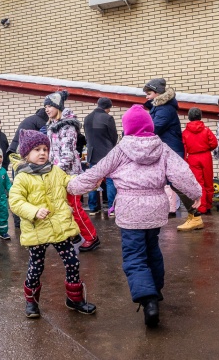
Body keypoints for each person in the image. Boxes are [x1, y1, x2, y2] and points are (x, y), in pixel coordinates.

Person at [67, 105, 201, 327]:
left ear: (127, 128)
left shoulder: (121, 149)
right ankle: (155, 289)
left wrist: (71, 186)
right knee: (152, 249)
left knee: (134, 256)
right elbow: (182, 172)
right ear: (149, 126)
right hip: (156, 207)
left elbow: (97, 172)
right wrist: (196, 193)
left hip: (130, 208)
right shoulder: (163, 147)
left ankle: (148, 299)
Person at [9, 129, 96, 318]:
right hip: (37, 230)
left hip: (59, 228)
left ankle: (74, 299)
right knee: (36, 266)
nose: (42, 153)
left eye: (45, 149)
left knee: (72, 262)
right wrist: (33, 211)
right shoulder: (22, 177)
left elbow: (69, 182)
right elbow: (15, 201)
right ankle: (31, 301)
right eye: (37, 149)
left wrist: (88, 182)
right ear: (26, 153)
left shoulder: (55, 170)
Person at [43, 91, 100, 252]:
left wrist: (55, 172)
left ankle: (91, 237)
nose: (47, 109)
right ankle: (73, 234)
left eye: (49, 106)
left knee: (74, 208)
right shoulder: (53, 125)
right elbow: (53, 152)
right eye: (45, 106)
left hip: (69, 176)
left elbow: (67, 155)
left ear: (58, 106)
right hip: (58, 174)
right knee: (62, 207)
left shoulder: (67, 126)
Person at [143, 79, 201, 229]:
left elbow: (154, 129)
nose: (146, 97)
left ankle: (195, 216)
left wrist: (136, 131)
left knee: (177, 184)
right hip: (166, 150)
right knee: (166, 183)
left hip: (171, 151)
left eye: (149, 94)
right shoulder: (160, 107)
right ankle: (192, 215)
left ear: (157, 93)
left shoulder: (164, 110)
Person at [7, 108, 49, 229]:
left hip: (17, 155)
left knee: (18, 187)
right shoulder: (40, 121)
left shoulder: (30, 119)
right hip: (24, 156)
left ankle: (17, 221)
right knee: (24, 189)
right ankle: (21, 220)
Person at [182, 108, 218, 222]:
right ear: (200, 116)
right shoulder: (206, 130)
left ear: (189, 117)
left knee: (198, 183)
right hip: (206, 156)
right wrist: (206, 149)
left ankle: (201, 207)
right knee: (208, 181)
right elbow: (214, 143)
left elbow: (184, 148)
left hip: (193, 157)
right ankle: (208, 205)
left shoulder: (185, 132)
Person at [84, 97, 118, 216]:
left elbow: (88, 138)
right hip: (107, 153)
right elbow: (113, 136)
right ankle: (112, 208)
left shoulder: (87, 118)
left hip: (92, 154)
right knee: (110, 181)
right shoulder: (107, 118)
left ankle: (93, 208)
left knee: (94, 180)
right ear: (108, 107)